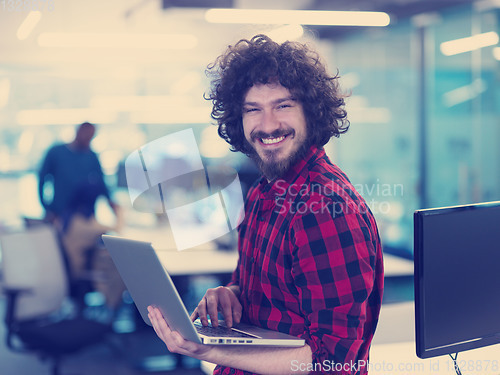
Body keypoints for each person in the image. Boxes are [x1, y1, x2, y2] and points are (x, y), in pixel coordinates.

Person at [148, 35, 384, 375]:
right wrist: (229, 294)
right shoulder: (264, 193)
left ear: (312, 113)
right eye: (253, 109)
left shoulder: (326, 210)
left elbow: (332, 362)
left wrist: (208, 348)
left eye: (283, 105)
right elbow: (263, 290)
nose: (268, 124)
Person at [38, 121, 121, 226]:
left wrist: (112, 204)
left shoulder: (92, 157)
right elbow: (42, 180)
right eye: (86, 135)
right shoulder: (56, 153)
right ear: (78, 131)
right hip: (59, 214)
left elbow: (102, 184)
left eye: (90, 136)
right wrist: (47, 208)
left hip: (84, 217)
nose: (87, 138)